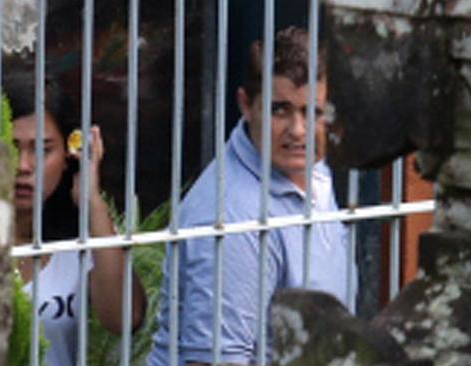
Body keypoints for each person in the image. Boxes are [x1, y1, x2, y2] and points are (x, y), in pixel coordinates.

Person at [148, 26, 354, 365]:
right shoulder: (233, 217)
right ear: (246, 104)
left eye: (312, 112)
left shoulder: (312, 165)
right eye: (280, 110)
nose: (298, 131)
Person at [4, 66, 146, 366]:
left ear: (68, 155)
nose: (24, 166)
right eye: (10, 148)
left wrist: (91, 200)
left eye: (42, 150)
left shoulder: (78, 241)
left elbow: (124, 318)